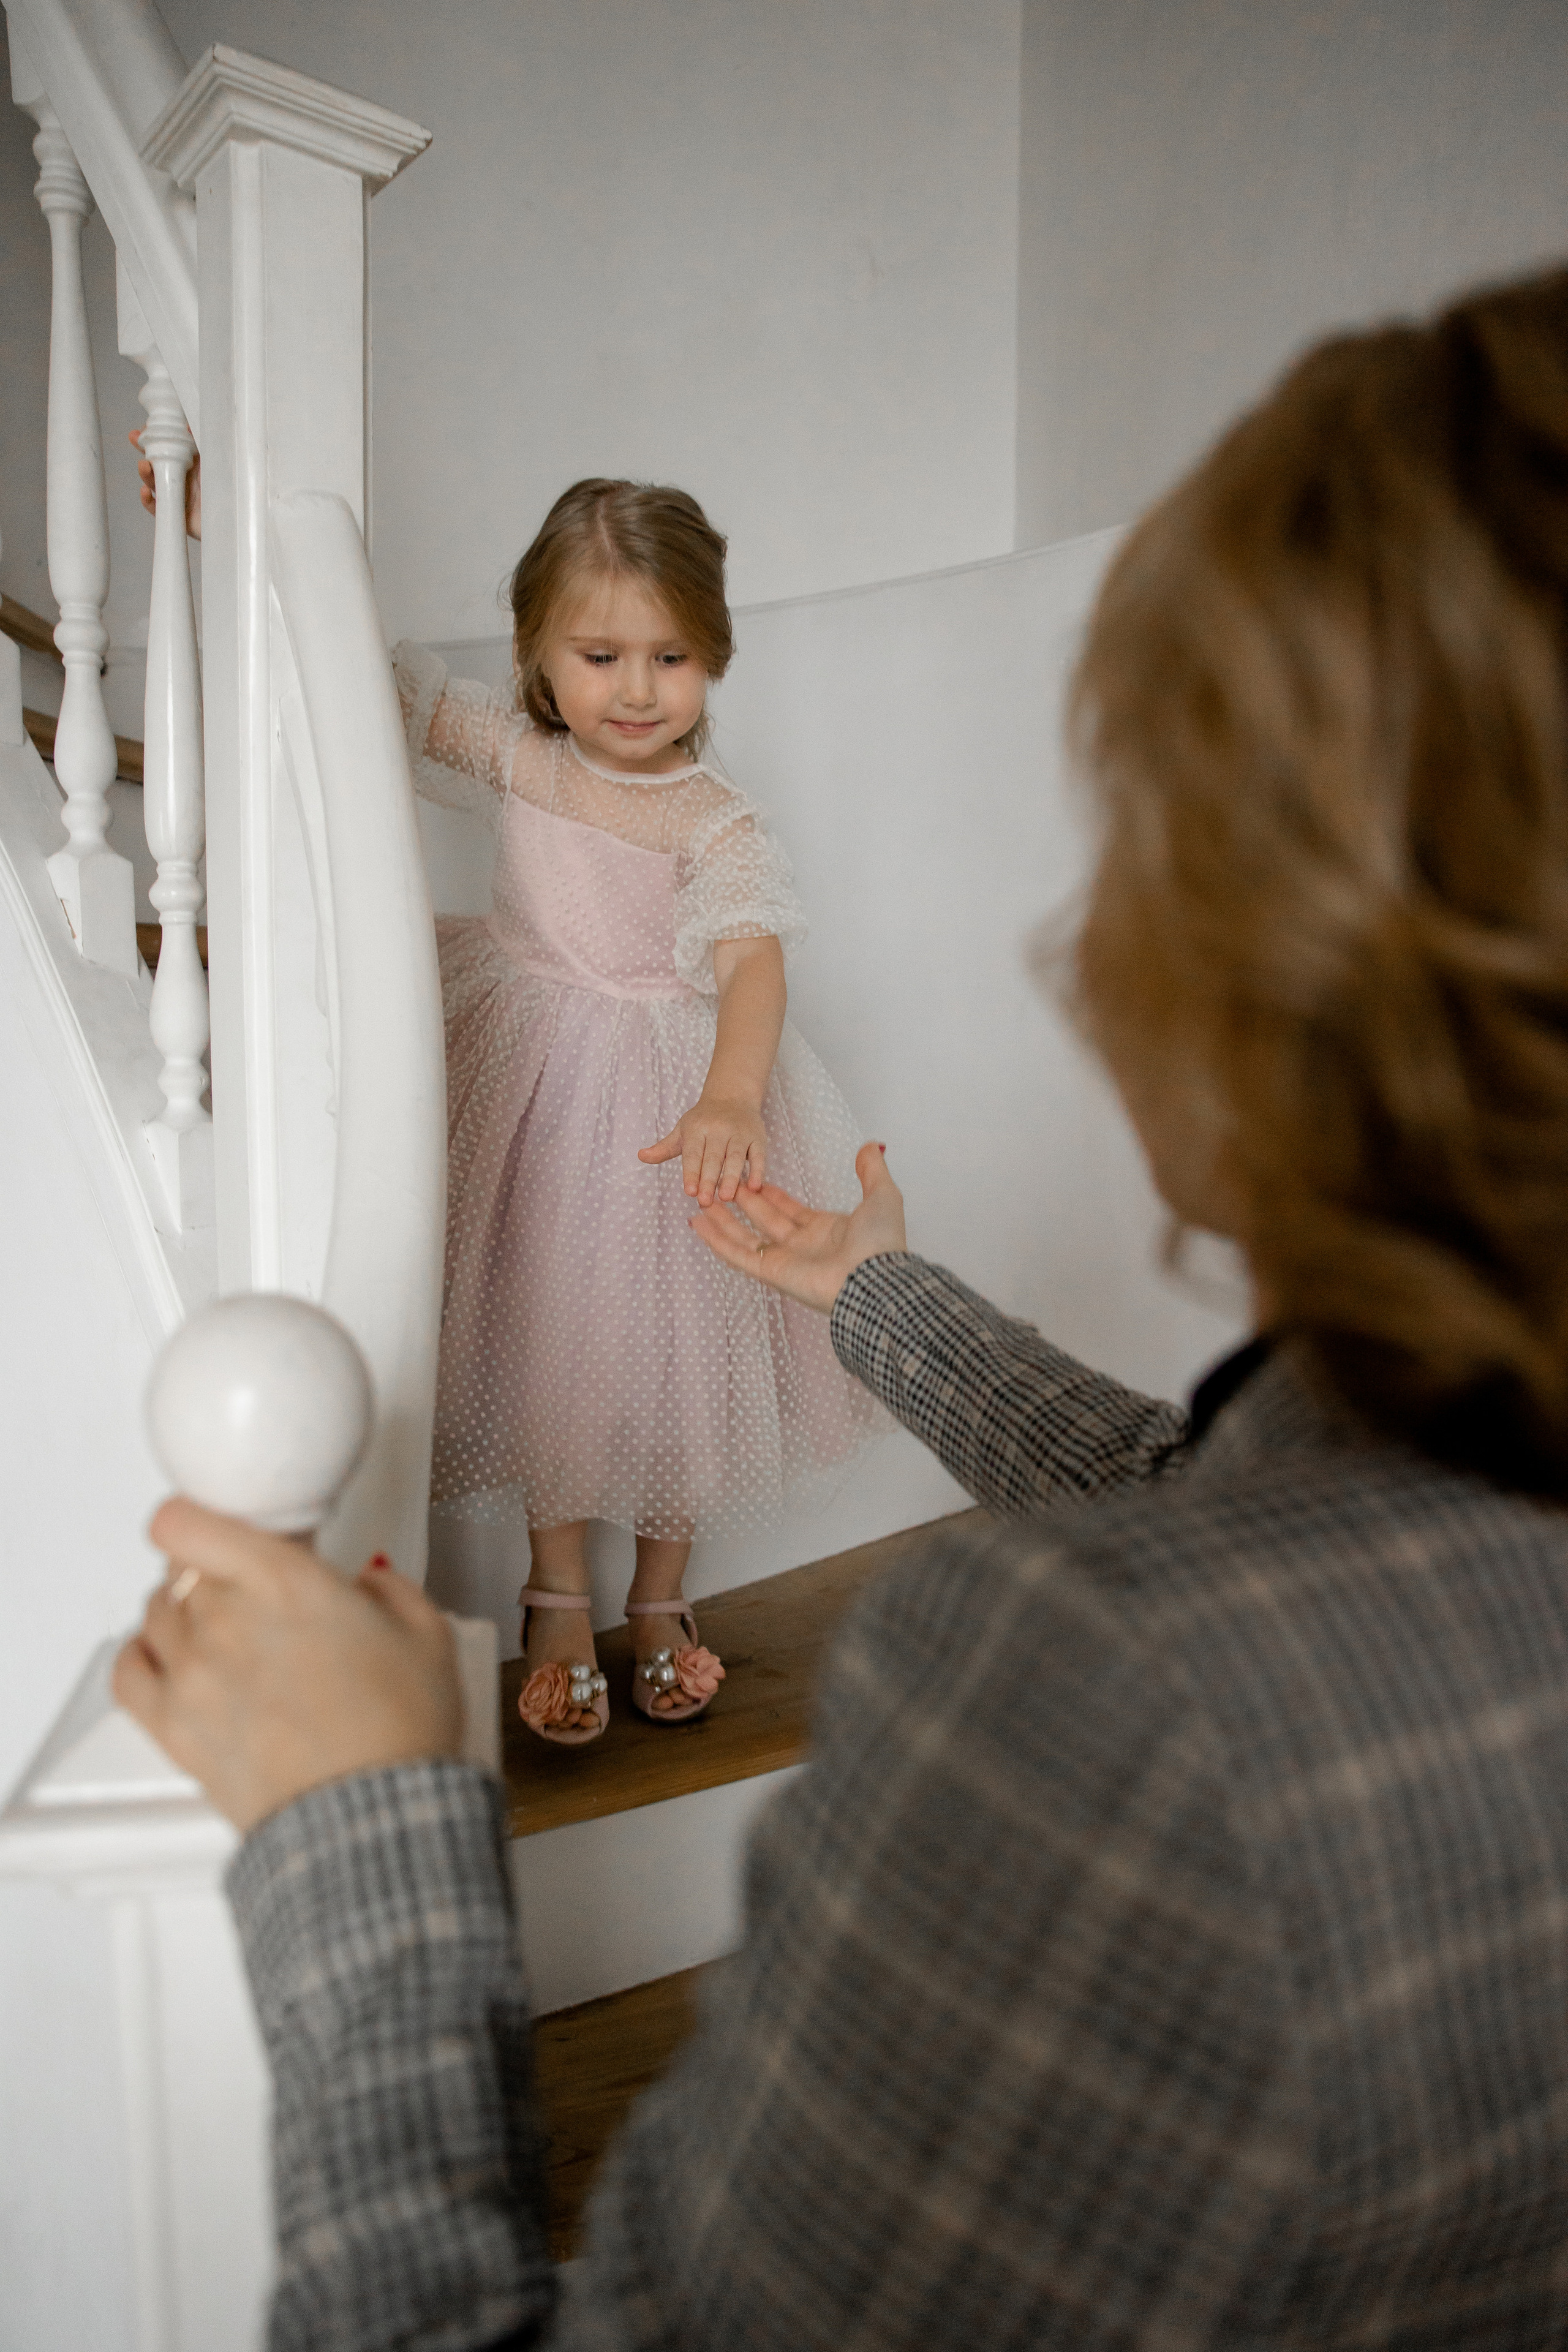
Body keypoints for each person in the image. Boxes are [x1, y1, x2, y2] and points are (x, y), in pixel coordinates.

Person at [119, 263, 1568, 2349]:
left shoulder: (1127, 1713)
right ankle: (572, 1603)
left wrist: (361, 1829)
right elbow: (1283, 1508)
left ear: (1283, 958)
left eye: (1148, 822)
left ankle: (614, 1615)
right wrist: (897, 1308)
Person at [129, 451, 883, 1744]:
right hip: (534, 1083)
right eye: (599, 657)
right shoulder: (521, 756)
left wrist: (731, 1096)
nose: (636, 690)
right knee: (552, 1341)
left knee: (678, 1359)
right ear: (535, 654)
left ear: (711, 656)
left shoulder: (713, 821)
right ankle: (555, 1595)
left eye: (669, 658)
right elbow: (352, 675)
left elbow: (749, 959)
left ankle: (658, 1597)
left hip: (669, 1113)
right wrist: (233, 534)